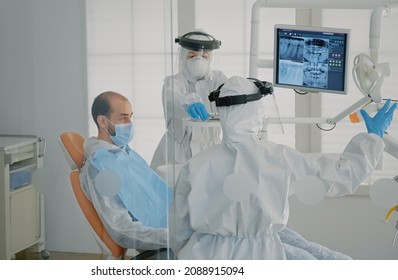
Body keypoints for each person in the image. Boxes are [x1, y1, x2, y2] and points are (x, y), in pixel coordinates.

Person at [171, 76, 396, 260]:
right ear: (255, 111)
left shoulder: (195, 165)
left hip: (200, 258)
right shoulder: (278, 157)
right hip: (260, 256)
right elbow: (340, 176)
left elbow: (179, 230)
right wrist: (372, 139)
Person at [80, 91, 174, 258]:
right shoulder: (99, 167)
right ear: (103, 121)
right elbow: (121, 229)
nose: (130, 123)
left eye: (130, 117)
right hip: (162, 246)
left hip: (172, 233)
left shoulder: (125, 153)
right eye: (123, 118)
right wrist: (175, 236)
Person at [150, 29, 228, 170]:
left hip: (211, 148)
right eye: (192, 55)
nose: (198, 60)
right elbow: (173, 98)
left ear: (211, 58)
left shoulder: (218, 79)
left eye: (204, 56)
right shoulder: (173, 82)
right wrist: (189, 103)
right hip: (177, 151)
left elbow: (231, 93)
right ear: (182, 57)